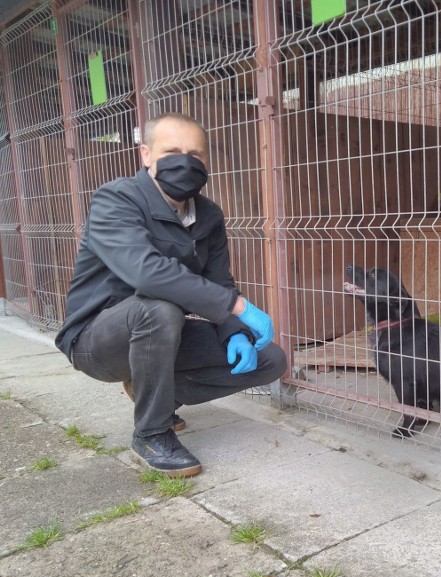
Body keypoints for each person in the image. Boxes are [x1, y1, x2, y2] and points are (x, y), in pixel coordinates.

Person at [55, 112, 287, 478]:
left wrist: (234, 329)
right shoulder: (116, 200)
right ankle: (151, 434)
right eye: (172, 151)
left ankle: (157, 395)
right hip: (96, 340)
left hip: (162, 333)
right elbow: (145, 272)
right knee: (158, 308)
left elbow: (219, 281)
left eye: (195, 153)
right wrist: (236, 306)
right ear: (146, 154)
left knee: (270, 359)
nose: (185, 161)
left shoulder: (209, 215)